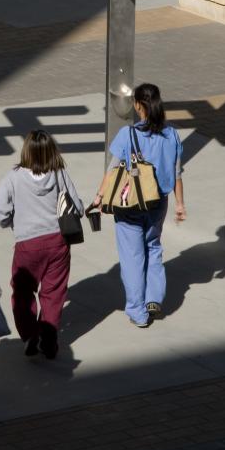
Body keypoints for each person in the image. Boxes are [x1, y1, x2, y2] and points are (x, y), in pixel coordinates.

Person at [93, 83, 185, 328]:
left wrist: (100, 196)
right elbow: (177, 174)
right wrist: (180, 204)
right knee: (153, 246)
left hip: (130, 204)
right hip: (159, 203)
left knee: (132, 257)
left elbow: (112, 170)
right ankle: (154, 298)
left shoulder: (128, 134)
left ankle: (137, 311)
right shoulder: (172, 134)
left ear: (137, 105)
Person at [0, 129, 83, 360]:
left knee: (22, 292)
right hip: (58, 242)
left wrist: (13, 221)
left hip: (27, 244)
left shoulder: (13, 177)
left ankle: (30, 332)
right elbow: (77, 207)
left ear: (27, 152)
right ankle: (49, 339)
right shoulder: (59, 173)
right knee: (53, 293)